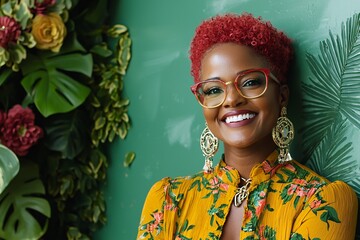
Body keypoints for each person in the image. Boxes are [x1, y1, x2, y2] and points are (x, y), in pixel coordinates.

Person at [137, 13, 358, 240]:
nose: (232, 99)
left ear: (281, 96)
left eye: (251, 82)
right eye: (214, 90)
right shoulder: (167, 199)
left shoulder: (321, 201)